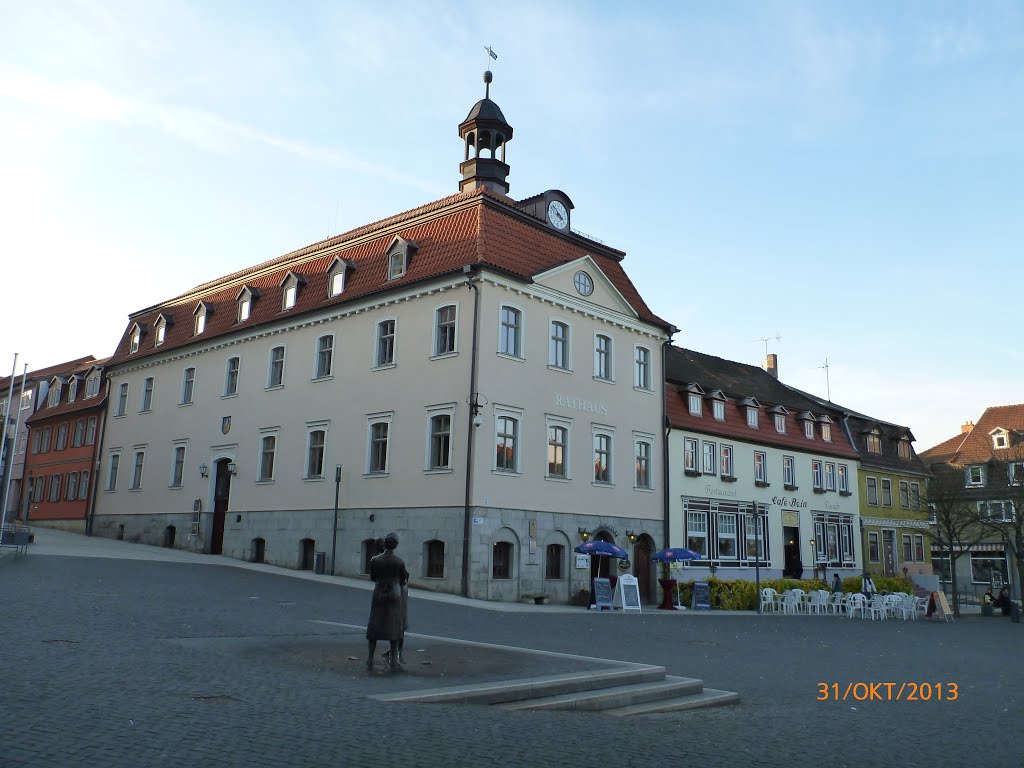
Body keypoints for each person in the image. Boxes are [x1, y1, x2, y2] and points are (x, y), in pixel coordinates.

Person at [366, 533, 409, 671]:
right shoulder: (399, 561)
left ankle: (370, 659)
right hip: (394, 594)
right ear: (395, 545)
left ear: (385, 544)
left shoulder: (375, 559)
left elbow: (373, 577)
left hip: (379, 592)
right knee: (394, 626)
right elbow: (403, 580)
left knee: (375, 624)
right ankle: (394, 662)